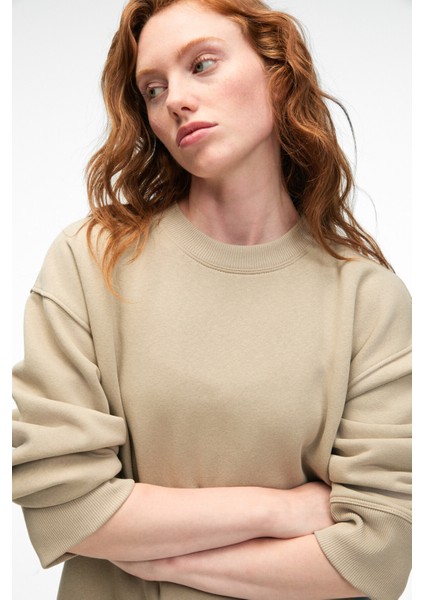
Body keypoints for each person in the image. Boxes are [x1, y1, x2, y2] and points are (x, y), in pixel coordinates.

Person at [12, 0, 411, 599]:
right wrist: (281, 510)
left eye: (201, 65)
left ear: (279, 76)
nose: (174, 99)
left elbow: (377, 557)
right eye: (153, 89)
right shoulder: (91, 260)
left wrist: (157, 557)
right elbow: (65, 505)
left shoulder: (368, 298)